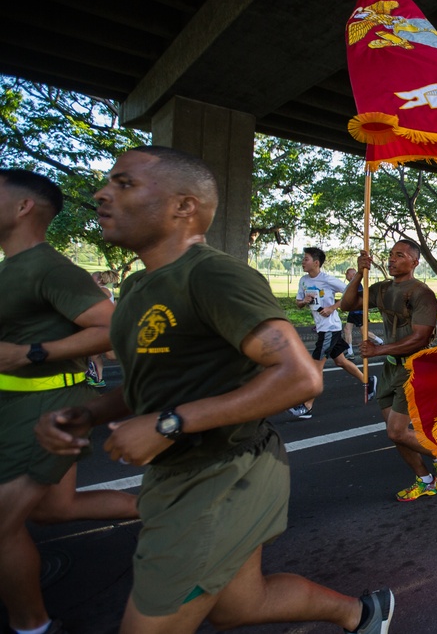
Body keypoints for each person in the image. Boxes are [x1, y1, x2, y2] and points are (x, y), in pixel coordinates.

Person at [34, 147, 393, 634]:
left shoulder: (213, 274)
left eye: (124, 184)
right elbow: (155, 382)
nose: (101, 194)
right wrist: (88, 414)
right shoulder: (139, 287)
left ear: (184, 207)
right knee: (238, 607)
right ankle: (362, 614)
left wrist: (169, 423)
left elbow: (299, 377)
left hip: (224, 474)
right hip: (179, 473)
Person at [0, 169, 138, 634]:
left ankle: (32, 627)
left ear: (23, 207)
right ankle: (175, 510)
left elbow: (113, 327)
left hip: (47, 408)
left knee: (1, 524)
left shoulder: (48, 267)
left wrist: (32, 353)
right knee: (54, 510)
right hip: (15, 407)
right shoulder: (11, 267)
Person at [340, 240, 437, 502]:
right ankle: (424, 479)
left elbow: (421, 337)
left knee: (396, 431)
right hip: (390, 367)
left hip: (413, 369)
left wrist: (379, 350)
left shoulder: (421, 293)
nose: (392, 259)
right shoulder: (381, 289)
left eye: (399, 255)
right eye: (390, 255)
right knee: (395, 432)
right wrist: (359, 273)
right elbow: (348, 305)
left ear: (414, 262)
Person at [287, 248, 376, 419]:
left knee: (315, 367)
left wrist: (332, 307)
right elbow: (298, 302)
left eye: (306, 259)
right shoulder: (304, 280)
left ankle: (307, 406)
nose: (303, 262)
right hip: (322, 328)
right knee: (341, 361)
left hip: (330, 328)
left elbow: (349, 293)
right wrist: (303, 302)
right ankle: (368, 380)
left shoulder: (327, 279)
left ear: (316, 262)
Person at [86, 270, 119, 388]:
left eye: (92, 278)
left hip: (105, 327)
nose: (90, 279)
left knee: (111, 355)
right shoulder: (105, 291)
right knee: (94, 353)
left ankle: (136, 358)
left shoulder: (102, 291)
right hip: (101, 327)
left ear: (99, 280)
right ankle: (98, 378)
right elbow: (115, 306)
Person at [343, 267, 383, 359]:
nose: (346, 275)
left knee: (364, 332)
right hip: (353, 312)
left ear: (352, 275)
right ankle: (350, 352)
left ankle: (380, 341)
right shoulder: (352, 284)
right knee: (347, 329)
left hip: (358, 312)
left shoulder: (357, 285)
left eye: (347, 273)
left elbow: (358, 298)